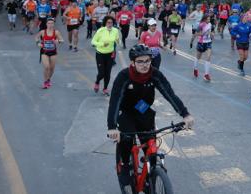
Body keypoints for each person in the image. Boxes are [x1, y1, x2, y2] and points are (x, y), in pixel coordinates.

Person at [106, 44, 194, 186]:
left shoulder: (155, 74)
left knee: (150, 147)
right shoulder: (124, 76)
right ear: (133, 63)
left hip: (143, 109)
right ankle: (125, 165)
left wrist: (185, 114)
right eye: (140, 61)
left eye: (147, 61)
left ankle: (152, 174)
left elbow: (169, 94)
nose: (145, 65)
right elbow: (115, 101)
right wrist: (112, 126)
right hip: (127, 111)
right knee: (126, 139)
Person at [91, 16, 120, 96]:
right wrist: (102, 44)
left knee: (108, 73)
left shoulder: (115, 31)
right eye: (108, 22)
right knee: (102, 73)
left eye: (111, 22)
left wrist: (118, 41)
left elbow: (117, 41)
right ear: (105, 23)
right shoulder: (100, 30)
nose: (110, 24)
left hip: (110, 54)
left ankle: (105, 88)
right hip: (100, 54)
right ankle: (97, 82)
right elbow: (93, 42)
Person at [35, 18, 64, 89]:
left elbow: (62, 40)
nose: (50, 25)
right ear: (46, 24)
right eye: (49, 23)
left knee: (52, 69)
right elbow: (36, 37)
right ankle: (45, 82)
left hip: (53, 52)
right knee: (47, 67)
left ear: (54, 24)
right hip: (44, 52)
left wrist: (58, 41)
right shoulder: (42, 32)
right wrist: (38, 43)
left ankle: (48, 79)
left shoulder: (56, 32)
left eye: (52, 23)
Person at [193, 15, 214, 82]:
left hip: (208, 43)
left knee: (208, 58)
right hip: (201, 43)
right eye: (208, 19)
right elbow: (196, 33)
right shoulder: (201, 25)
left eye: (209, 19)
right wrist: (204, 33)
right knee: (198, 57)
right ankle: (195, 69)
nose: (209, 20)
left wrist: (212, 34)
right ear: (204, 19)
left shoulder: (210, 24)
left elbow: (212, 32)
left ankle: (206, 74)